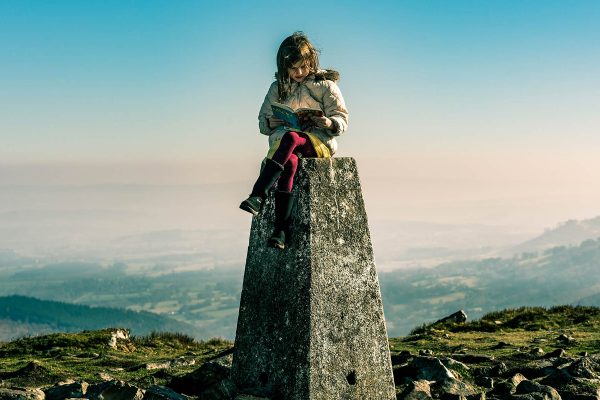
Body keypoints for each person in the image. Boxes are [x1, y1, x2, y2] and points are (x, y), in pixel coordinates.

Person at [239, 32, 349, 249]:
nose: (298, 72)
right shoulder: (277, 88)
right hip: (286, 146)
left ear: (311, 62)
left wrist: (327, 122)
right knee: (289, 162)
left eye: (303, 67)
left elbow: (342, 119)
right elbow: (262, 122)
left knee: (291, 137)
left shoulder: (325, 85)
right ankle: (280, 232)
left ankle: (258, 194)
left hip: (318, 143)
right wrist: (271, 122)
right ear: (284, 67)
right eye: (293, 68)